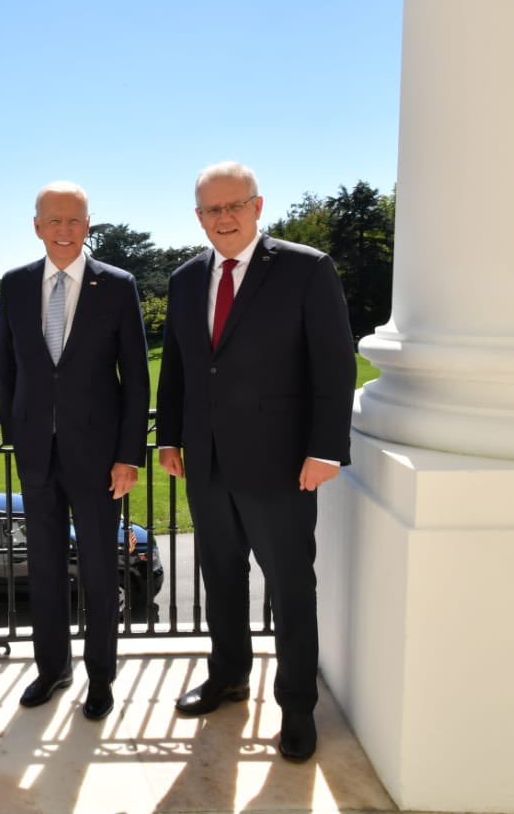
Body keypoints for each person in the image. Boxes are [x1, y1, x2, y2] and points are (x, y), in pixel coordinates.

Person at [155, 161, 356, 762]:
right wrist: (169, 438)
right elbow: (182, 368)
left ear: (258, 205)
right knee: (220, 578)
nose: (224, 218)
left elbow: (334, 363)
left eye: (234, 205)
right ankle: (228, 677)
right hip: (207, 461)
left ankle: (296, 706)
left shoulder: (305, 268)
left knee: (291, 587)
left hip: (283, 463)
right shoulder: (187, 278)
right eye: (211, 210)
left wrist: (325, 448)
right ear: (198, 218)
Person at [0, 181, 150, 721]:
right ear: (37, 226)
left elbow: (136, 377)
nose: (64, 230)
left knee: (102, 571)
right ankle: (52, 669)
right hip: (37, 455)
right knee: (43, 568)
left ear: (89, 226)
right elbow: (8, 371)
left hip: (100, 459)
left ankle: (100, 679)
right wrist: (18, 436)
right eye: (54, 220)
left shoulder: (118, 285)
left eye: (75, 220)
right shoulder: (14, 286)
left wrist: (128, 454)